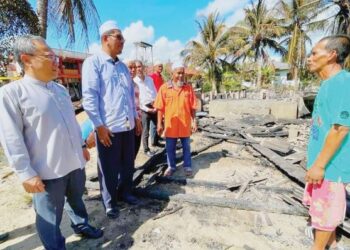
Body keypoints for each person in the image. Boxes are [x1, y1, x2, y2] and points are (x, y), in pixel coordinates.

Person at [0, 35, 103, 250]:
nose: (56, 60)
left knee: (76, 201)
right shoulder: (12, 94)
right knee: (49, 217)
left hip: (74, 163)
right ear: (27, 59)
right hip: (47, 172)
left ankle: (81, 225)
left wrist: (82, 146)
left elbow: (72, 123)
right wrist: (25, 172)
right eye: (49, 56)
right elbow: (11, 137)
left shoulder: (61, 90)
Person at [82, 20, 142, 219]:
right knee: (108, 167)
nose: (123, 41)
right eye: (119, 37)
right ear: (105, 39)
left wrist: (136, 119)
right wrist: (98, 126)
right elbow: (89, 98)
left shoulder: (124, 68)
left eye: (123, 37)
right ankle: (110, 202)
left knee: (127, 164)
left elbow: (129, 98)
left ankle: (126, 192)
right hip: (109, 128)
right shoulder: (94, 63)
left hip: (127, 125)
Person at [303, 35, 350, 250]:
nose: (309, 58)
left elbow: (341, 128)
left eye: (314, 53)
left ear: (331, 55)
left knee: (326, 214)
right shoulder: (327, 84)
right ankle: (331, 245)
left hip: (331, 168)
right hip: (321, 165)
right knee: (321, 212)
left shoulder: (343, 83)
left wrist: (320, 165)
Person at [154, 62, 197, 177]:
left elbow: (193, 107)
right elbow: (159, 108)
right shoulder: (164, 88)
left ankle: (187, 166)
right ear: (172, 73)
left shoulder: (188, 88)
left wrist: (194, 121)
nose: (181, 76)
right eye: (178, 73)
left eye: (182, 73)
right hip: (170, 125)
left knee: (186, 147)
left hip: (185, 123)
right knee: (170, 148)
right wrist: (159, 124)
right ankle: (171, 166)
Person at [134, 60, 158, 157]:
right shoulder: (134, 82)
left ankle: (155, 143)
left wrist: (156, 104)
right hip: (143, 108)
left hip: (153, 104)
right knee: (145, 130)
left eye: (140, 66)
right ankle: (146, 149)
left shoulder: (150, 79)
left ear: (143, 67)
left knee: (157, 126)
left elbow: (155, 92)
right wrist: (148, 109)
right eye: (137, 67)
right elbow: (137, 101)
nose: (139, 69)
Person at [149, 61, 164, 145]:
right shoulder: (151, 77)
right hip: (154, 101)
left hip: (161, 101)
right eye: (159, 66)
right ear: (155, 67)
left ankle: (158, 137)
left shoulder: (161, 77)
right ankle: (154, 141)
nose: (160, 68)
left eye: (161, 66)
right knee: (154, 122)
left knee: (160, 120)